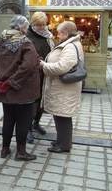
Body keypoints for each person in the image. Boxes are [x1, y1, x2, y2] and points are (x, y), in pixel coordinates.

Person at [0, 15, 40, 161]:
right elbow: (27, 66)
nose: (27, 30)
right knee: (23, 121)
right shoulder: (26, 43)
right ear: (22, 28)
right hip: (22, 90)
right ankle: (21, 152)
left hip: (5, 90)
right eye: (26, 27)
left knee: (8, 119)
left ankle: (5, 149)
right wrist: (11, 82)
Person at [39, 21, 84, 153]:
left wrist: (44, 66)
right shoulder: (70, 43)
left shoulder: (70, 46)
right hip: (63, 87)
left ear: (66, 34)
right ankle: (62, 140)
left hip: (64, 88)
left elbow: (62, 67)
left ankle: (63, 145)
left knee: (63, 116)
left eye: (59, 33)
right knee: (60, 115)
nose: (57, 35)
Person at [26, 11, 55, 143]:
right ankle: (28, 128)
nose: (42, 27)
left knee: (43, 100)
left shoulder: (48, 35)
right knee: (33, 101)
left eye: (44, 24)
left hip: (46, 72)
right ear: (33, 23)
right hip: (33, 74)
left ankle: (36, 123)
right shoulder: (28, 35)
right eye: (39, 25)